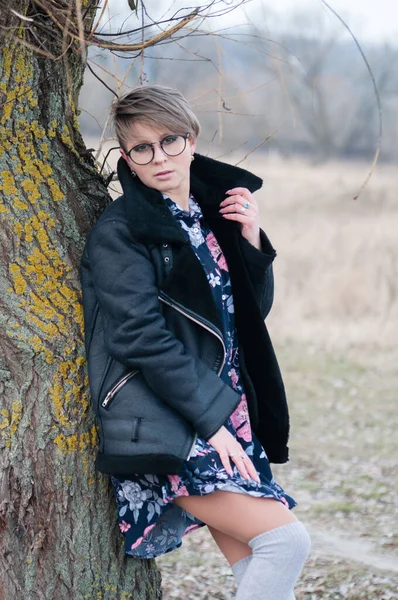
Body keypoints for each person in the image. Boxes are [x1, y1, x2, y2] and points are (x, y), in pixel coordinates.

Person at [80, 85, 311, 600]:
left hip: (225, 408)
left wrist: (250, 240)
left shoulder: (208, 217)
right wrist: (212, 424)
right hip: (168, 417)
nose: (159, 157)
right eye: (142, 148)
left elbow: (244, 316)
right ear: (126, 159)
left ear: (192, 139)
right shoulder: (121, 233)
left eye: (170, 141)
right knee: (285, 543)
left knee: (258, 561)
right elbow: (139, 337)